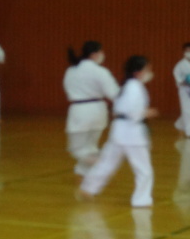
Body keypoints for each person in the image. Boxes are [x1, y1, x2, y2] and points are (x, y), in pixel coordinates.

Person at [79, 55, 157, 208]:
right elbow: (133, 112)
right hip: (132, 134)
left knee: (107, 163)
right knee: (143, 170)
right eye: (147, 69)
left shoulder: (126, 86)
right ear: (138, 72)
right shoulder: (135, 87)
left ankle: (88, 188)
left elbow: (119, 109)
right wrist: (147, 112)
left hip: (119, 132)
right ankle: (141, 200)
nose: (149, 72)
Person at [64, 41, 120, 176]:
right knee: (90, 147)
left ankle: (102, 162)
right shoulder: (100, 71)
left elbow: (67, 88)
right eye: (101, 52)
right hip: (99, 110)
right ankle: (85, 178)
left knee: (75, 149)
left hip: (80, 110)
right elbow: (114, 94)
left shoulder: (71, 70)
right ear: (94, 54)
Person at [174, 43, 190, 137]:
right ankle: (188, 132)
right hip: (185, 90)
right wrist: (185, 81)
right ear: (184, 52)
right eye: (187, 51)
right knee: (187, 110)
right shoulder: (180, 65)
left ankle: (179, 124)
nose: (189, 52)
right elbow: (178, 79)